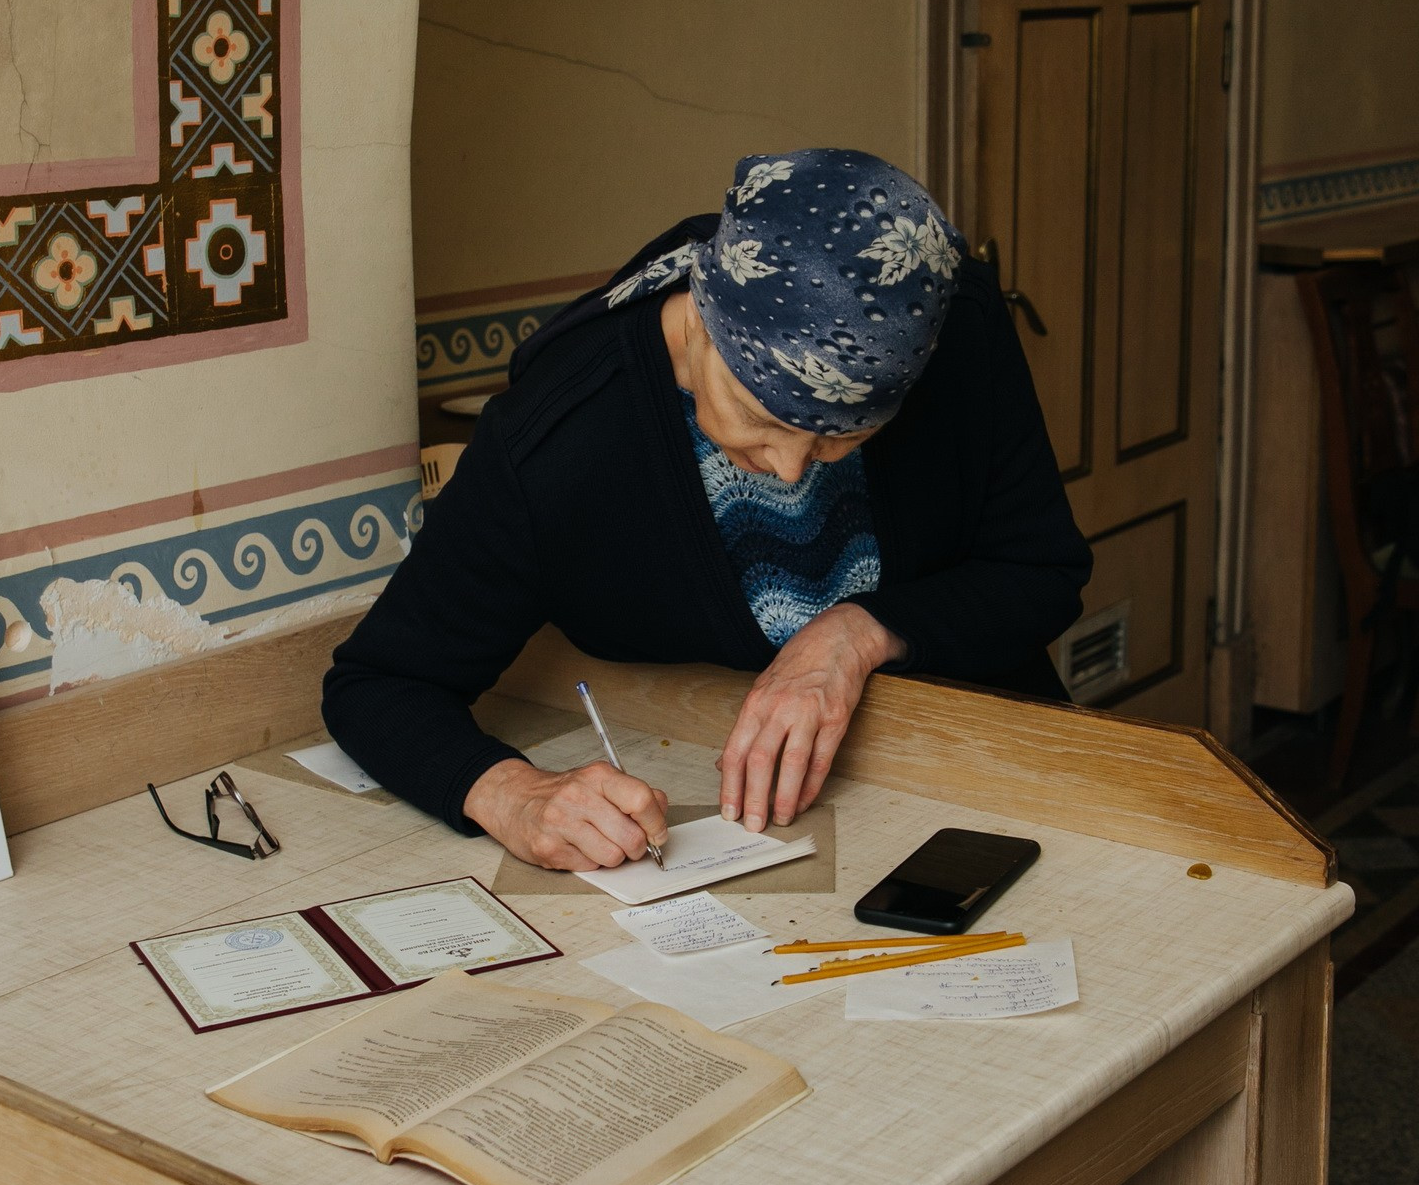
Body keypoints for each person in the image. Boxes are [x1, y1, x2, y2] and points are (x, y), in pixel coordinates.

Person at [324, 149, 1090, 871]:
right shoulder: (556, 439)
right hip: (756, 806)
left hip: (1005, 776)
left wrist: (858, 632)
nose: (791, 468)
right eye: (762, 417)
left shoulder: (947, 323)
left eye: (843, 439)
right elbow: (379, 682)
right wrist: (510, 793)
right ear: (698, 318)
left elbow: (1040, 571)